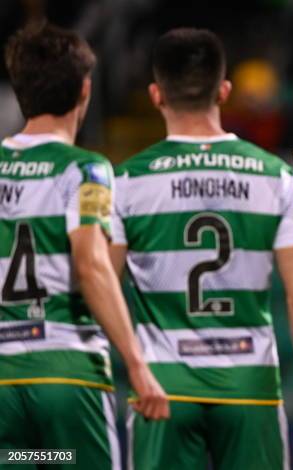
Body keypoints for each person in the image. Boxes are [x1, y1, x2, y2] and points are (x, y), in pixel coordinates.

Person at [109, 28, 293, 470]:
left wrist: (134, 365)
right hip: (248, 384)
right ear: (225, 90)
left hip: (163, 385)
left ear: (156, 95)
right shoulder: (276, 177)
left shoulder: (127, 181)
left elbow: (102, 284)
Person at [0, 22, 168, 469]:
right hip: (65, 375)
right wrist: (136, 362)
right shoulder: (85, 170)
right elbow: (93, 265)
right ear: (85, 90)